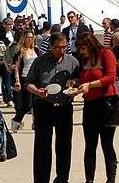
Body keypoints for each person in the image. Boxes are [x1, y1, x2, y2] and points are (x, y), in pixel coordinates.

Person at [26, 33, 80, 183]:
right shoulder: (39, 62)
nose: (61, 50)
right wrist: (37, 91)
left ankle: (62, 179)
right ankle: (41, 179)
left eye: (64, 47)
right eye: (57, 47)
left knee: (64, 145)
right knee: (42, 145)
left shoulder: (73, 62)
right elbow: (29, 83)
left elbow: (78, 81)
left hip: (64, 107)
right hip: (44, 106)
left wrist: (74, 85)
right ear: (50, 46)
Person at [75, 32, 119, 183]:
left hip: (106, 103)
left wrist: (90, 85)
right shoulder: (84, 59)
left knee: (107, 143)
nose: (81, 51)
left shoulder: (106, 53)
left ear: (90, 44)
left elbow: (111, 77)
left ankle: (111, 179)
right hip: (90, 105)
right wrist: (75, 85)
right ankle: (89, 180)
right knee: (90, 144)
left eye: (83, 48)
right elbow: (82, 79)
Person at [11, 30, 38, 133]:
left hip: (35, 79)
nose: (30, 39)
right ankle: (16, 120)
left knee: (36, 103)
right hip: (25, 78)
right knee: (27, 105)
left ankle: (35, 124)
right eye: (28, 37)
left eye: (31, 37)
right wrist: (17, 81)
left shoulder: (36, 50)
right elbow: (17, 68)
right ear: (24, 38)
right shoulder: (20, 51)